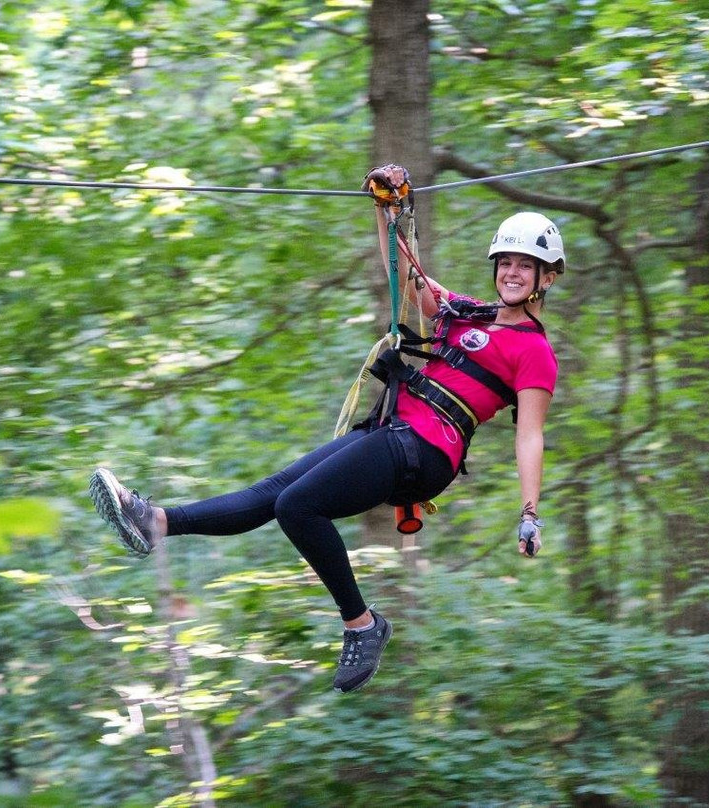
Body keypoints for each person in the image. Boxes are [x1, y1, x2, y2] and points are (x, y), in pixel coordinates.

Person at [89, 164, 563, 693]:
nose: (514, 273)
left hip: (427, 451)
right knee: (275, 494)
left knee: (297, 507)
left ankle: (361, 625)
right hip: (393, 429)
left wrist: (529, 512)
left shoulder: (535, 353)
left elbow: (530, 434)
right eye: (508, 263)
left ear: (547, 277)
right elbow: (408, 276)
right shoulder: (466, 313)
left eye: (528, 265)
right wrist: (388, 210)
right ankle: (153, 522)